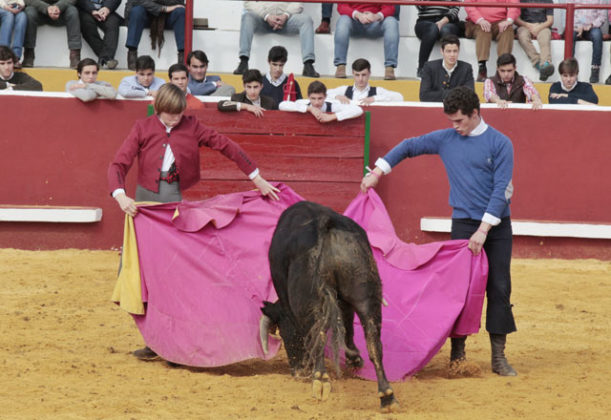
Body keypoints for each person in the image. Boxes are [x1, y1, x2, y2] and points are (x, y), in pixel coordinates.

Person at [108, 84, 279, 361]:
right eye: (169, 115)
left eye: (178, 114)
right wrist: (120, 195)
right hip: (145, 207)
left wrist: (256, 177)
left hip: (172, 203)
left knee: (171, 276)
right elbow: (118, 165)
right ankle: (154, 338)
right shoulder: (142, 127)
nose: (174, 119)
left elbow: (227, 146)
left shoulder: (192, 125)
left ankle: (168, 339)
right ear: (159, 107)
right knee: (138, 275)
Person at [361, 86, 517, 377]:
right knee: (461, 289)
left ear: (475, 113)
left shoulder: (500, 143)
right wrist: (378, 171)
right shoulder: (447, 138)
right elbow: (408, 146)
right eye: (451, 121)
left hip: (495, 227)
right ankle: (458, 355)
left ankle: (499, 356)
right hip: (463, 224)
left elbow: (500, 191)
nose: (454, 126)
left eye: (459, 120)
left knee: (499, 287)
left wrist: (483, 230)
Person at [233, 1, 319, 78]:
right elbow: (248, 2)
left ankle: (308, 64)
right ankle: (243, 62)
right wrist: (266, 16)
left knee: (306, 20)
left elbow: (298, 3)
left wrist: (285, 15)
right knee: (247, 17)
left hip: (286, 20)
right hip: (262, 19)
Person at [334, 2, 399, 80]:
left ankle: (390, 67)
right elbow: (342, 6)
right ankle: (340, 66)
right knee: (343, 20)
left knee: (392, 22)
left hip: (376, 23)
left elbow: (390, 7)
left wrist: (376, 16)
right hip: (354, 22)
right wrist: (358, 15)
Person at [464, 0, 519, 82]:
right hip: (476, 22)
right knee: (484, 30)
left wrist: (508, 21)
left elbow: (514, 4)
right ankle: (482, 68)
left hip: (499, 21)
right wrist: (480, 20)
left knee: (507, 29)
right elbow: (468, 4)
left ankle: (503, 68)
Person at [124, 0, 185, 71]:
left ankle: (182, 57)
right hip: (145, 15)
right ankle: (132, 55)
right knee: (137, 11)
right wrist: (162, 8)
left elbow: (178, 2)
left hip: (167, 16)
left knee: (181, 11)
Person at [23, 0, 82, 68]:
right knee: (30, 12)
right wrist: (46, 8)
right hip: (39, 11)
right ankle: (28, 55)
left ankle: (75, 56)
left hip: (61, 11)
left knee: (72, 11)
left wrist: (58, 7)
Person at [419, 35, 474, 103]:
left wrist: (440, 94)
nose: (452, 55)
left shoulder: (466, 68)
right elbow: (424, 96)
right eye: (448, 51)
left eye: (455, 51)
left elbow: (470, 95)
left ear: (459, 51)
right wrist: (456, 94)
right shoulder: (429, 67)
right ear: (442, 51)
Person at [414, 0, 462, 78]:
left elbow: (456, 8)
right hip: (425, 21)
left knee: (446, 30)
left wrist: (442, 22)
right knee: (432, 29)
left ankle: (450, 69)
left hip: (448, 21)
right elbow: (420, 6)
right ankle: (422, 68)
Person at [326, 58, 403, 105]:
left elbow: (399, 97)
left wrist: (374, 99)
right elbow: (324, 94)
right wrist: (337, 96)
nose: (360, 79)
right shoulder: (344, 90)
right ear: (353, 73)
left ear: (369, 73)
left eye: (363, 75)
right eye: (357, 75)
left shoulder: (377, 91)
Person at [279, 80, 363, 123]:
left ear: (325, 97)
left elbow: (358, 110)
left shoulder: (333, 106)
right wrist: (310, 109)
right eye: (313, 98)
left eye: (320, 98)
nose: (316, 102)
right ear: (308, 97)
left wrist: (332, 117)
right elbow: (282, 105)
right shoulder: (303, 103)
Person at [75, 0, 122, 69]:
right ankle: (107, 59)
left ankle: (105, 58)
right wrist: (92, 10)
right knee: (87, 25)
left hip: (106, 11)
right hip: (86, 10)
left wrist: (107, 8)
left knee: (113, 23)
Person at [515, 0, 554, 81]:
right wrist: (529, 25)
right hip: (525, 25)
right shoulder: (520, 1)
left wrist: (538, 27)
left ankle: (546, 64)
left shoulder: (548, 1)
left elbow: (550, 20)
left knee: (545, 37)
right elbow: (516, 19)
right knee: (522, 36)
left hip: (543, 26)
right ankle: (538, 64)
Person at [568, 0, 605, 83]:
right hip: (577, 26)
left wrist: (590, 25)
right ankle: (570, 69)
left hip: (592, 27)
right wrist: (580, 26)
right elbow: (571, 14)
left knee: (597, 35)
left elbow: (602, 17)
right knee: (570, 34)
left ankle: (595, 68)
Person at [0, 0, 26, 68]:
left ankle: (16, 57)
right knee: (8, 15)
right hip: (2, 6)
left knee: (22, 17)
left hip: (14, 7)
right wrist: (6, 7)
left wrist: (19, 6)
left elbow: (21, 1)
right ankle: (3, 55)